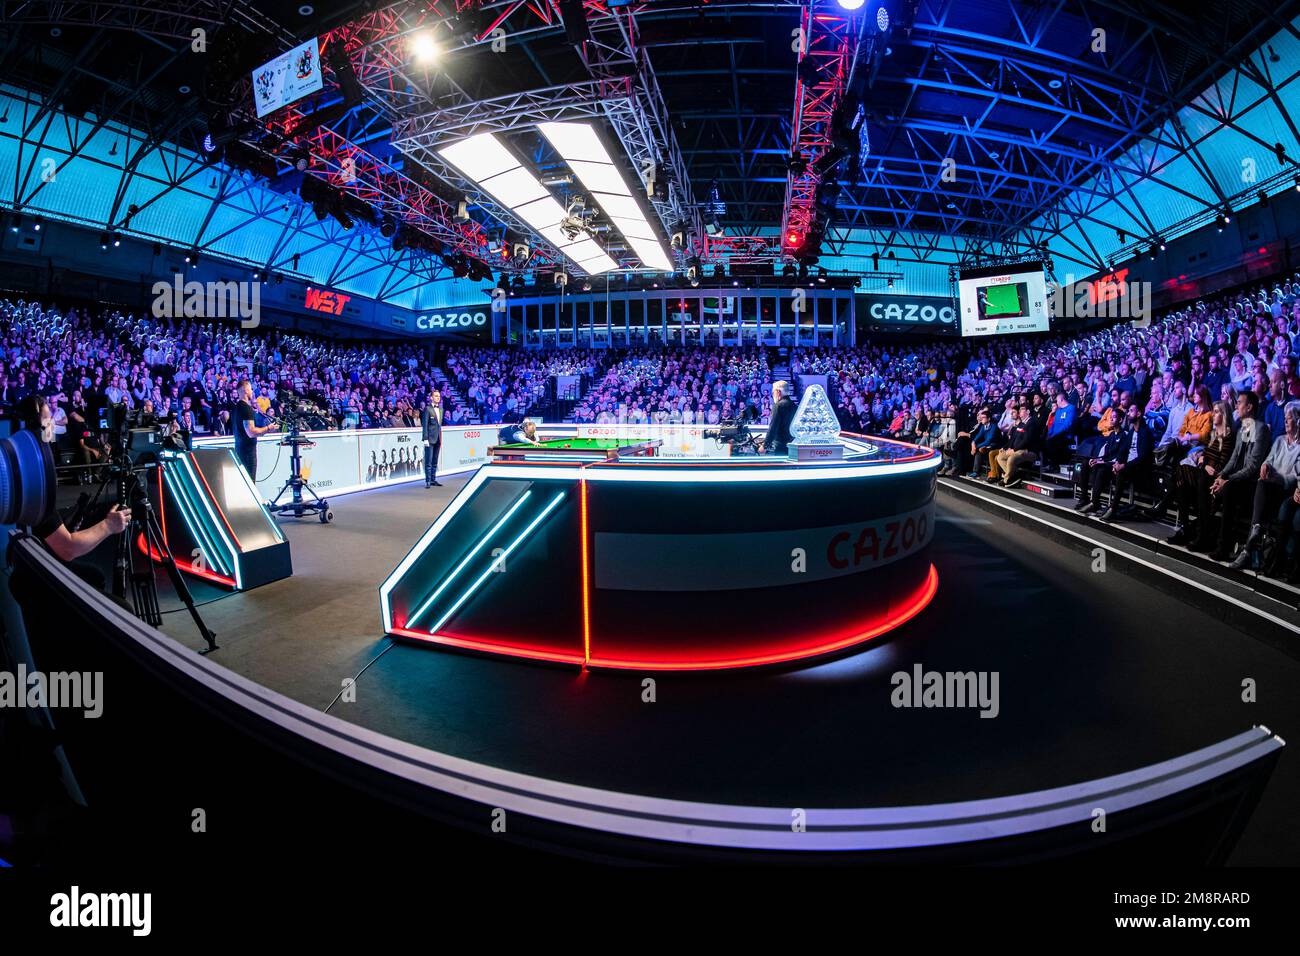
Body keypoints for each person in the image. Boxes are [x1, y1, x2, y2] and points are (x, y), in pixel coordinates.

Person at [13, 395, 130, 585]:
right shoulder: (36, 489)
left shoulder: (26, 470)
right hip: (41, 573)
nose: (52, 424)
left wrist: (72, 516)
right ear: (37, 428)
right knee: (97, 578)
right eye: (48, 419)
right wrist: (109, 526)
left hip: (34, 558)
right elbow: (68, 549)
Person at [1229, 400, 1300, 569]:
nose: (1285, 421)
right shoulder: (1279, 440)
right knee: (1260, 482)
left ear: (1298, 421)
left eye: (1289, 418)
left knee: (1262, 486)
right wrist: (1266, 466)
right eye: (1285, 417)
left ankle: (1253, 535)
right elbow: (1268, 460)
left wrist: (1277, 477)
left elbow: (1294, 476)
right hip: (1269, 486)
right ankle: (1253, 537)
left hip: (1285, 489)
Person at [1209, 391, 1271, 562]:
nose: (1236, 405)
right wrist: (1220, 476)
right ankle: (1205, 536)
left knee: (1228, 489)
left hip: (1251, 483)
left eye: (1240, 402)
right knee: (1209, 483)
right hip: (1237, 479)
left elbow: (1252, 467)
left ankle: (1223, 547)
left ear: (1250, 407)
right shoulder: (1242, 428)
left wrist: (1227, 480)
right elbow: (1234, 458)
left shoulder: (1261, 429)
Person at [1169, 400, 1235, 548]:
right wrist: (1203, 463)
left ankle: (1196, 532)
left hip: (1214, 476)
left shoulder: (1228, 435)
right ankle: (1186, 526)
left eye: (1217, 411)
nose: (1213, 414)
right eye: (1213, 410)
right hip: (1204, 471)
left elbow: (1221, 463)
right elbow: (1203, 457)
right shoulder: (1213, 433)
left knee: (1195, 479)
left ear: (1224, 415)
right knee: (1180, 472)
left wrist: (1204, 463)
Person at [233, 379, 273, 482]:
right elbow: (251, 432)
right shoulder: (246, 408)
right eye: (250, 389)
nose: (252, 392)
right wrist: (268, 428)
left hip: (240, 449)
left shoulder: (236, 408)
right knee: (250, 482)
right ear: (246, 390)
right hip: (247, 452)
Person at [764, 380, 796, 455]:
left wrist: (765, 445)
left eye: (773, 392)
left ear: (778, 392)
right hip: (792, 446)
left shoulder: (778, 406)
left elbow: (773, 428)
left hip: (780, 446)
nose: (772, 395)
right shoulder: (795, 406)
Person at [421, 391, 443, 488]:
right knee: (428, 461)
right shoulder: (427, 409)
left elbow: (439, 426)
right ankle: (428, 481)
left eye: (439, 396)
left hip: (438, 438)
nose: (438, 397)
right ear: (431, 397)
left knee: (435, 461)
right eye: (436, 396)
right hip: (429, 439)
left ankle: (433, 479)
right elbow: (425, 425)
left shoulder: (441, 409)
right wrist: (425, 438)